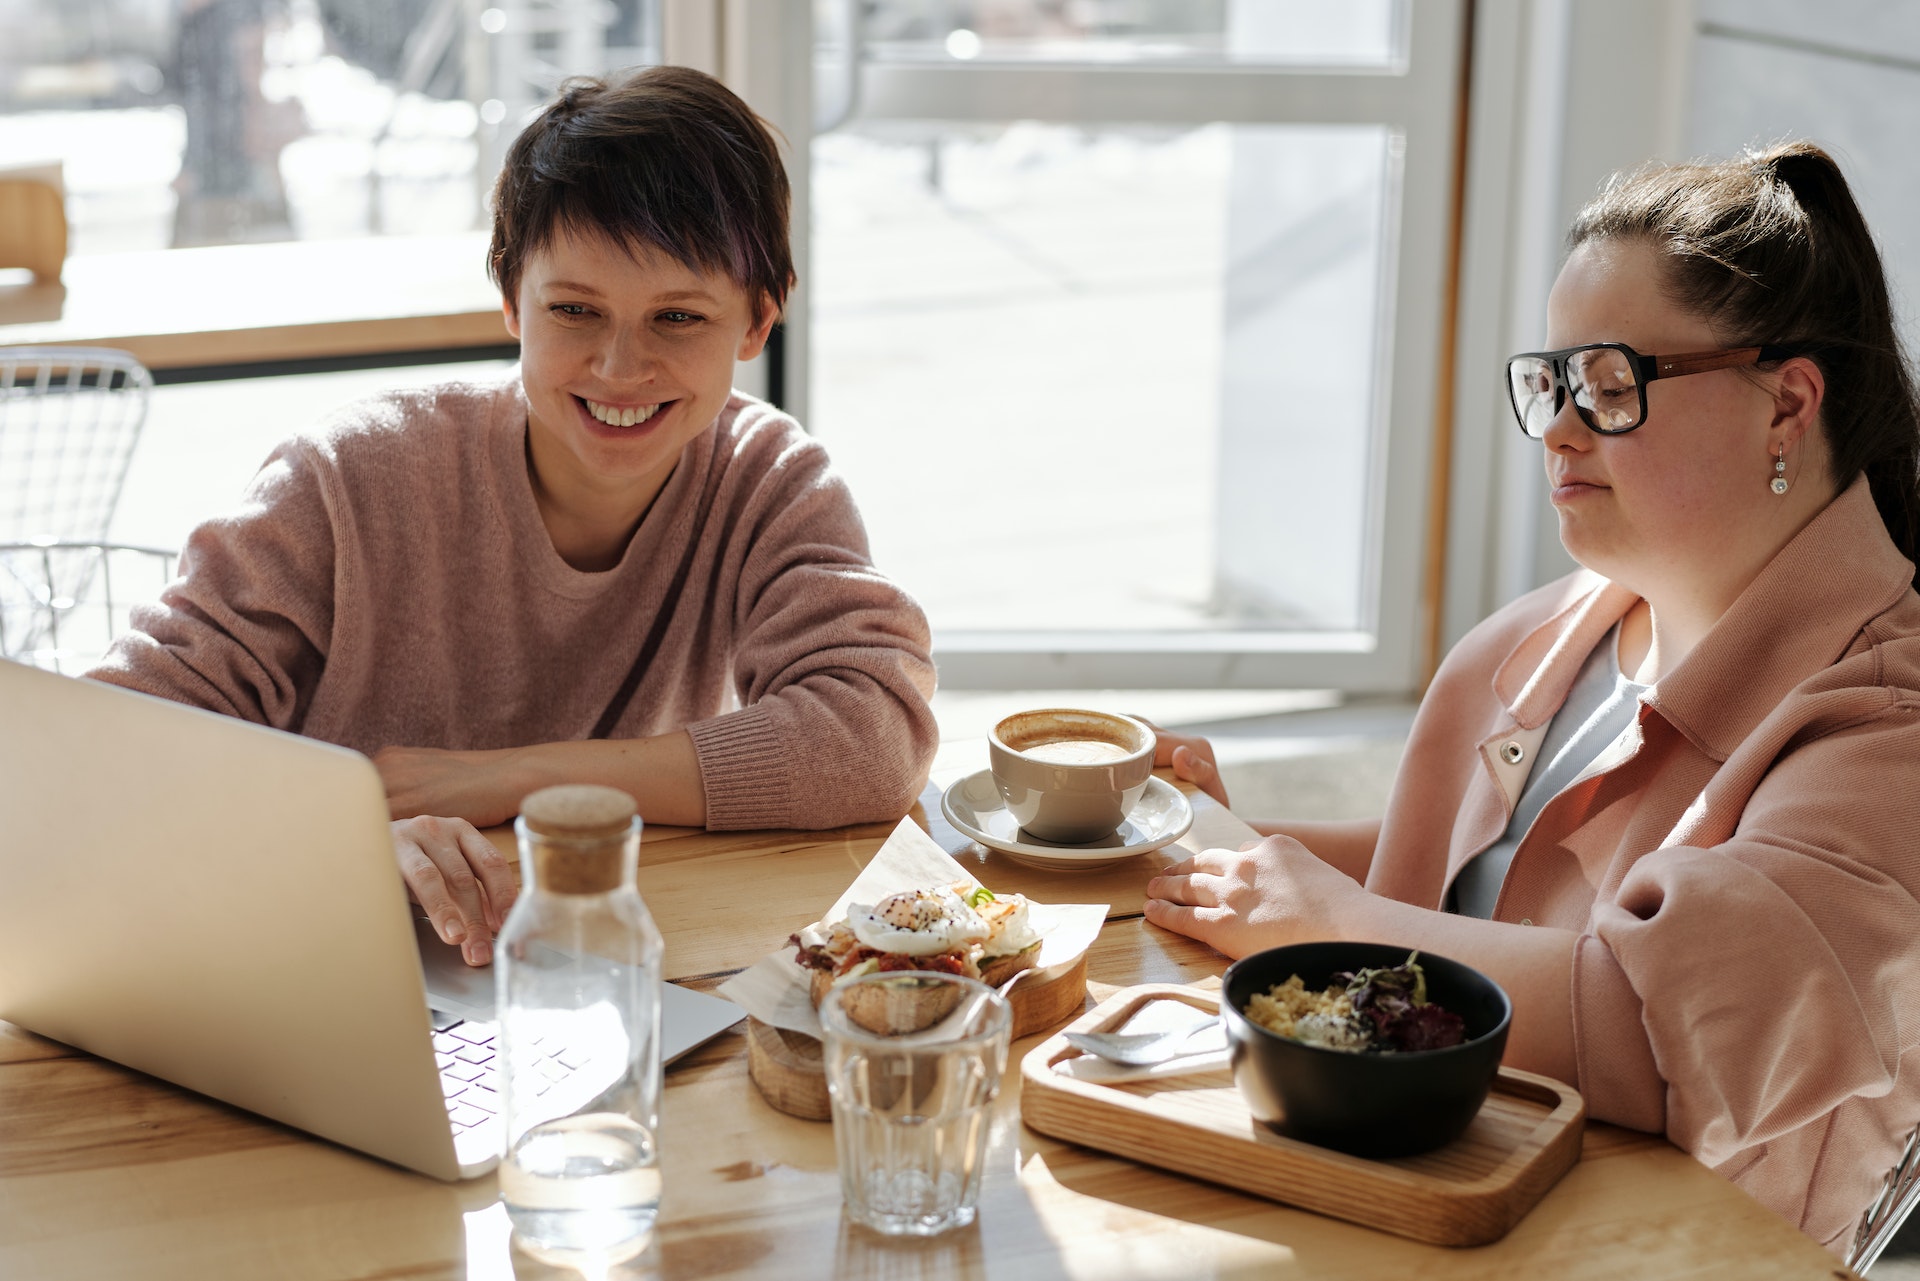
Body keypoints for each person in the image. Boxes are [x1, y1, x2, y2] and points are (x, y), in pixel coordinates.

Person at [1145, 142, 1920, 1256]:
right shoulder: (1566, 626)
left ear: (1788, 406)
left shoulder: (1888, 732)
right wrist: (1231, 840)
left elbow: (1656, 1030)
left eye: (1610, 388)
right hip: (1429, 1197)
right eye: (1552, 384)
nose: (1560, 427)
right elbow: (1475, 874)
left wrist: (1328, 917)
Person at [89, 67, 939, 969]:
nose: (620, 366)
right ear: (509, 298)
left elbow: (874, 731)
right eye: (575, 310)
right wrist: (338, 838)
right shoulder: (348, 476)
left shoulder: (766, 479)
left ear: (757, 321)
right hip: (304, 953)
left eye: (678, 317)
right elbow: (107, 745)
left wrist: (519, 777)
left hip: (587, 960)